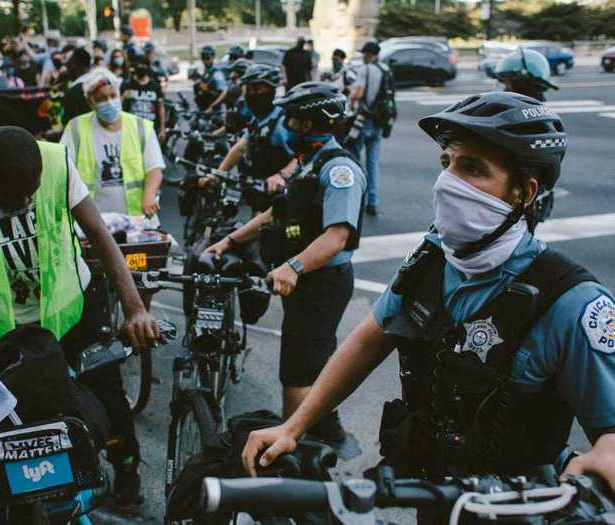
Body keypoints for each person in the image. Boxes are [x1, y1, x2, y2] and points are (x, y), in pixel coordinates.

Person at [240, 91, 615, 507]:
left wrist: (607, 452)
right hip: (427, 499)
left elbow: (611, 433)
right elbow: (370, 338)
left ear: (523, 193)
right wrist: (294, 426)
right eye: (446, 163)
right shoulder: (432, 258)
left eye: (471, 168)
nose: (447, 182)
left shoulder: (570, 300)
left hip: (522, 510)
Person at [0, 126, 158, 509]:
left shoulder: (56, 163)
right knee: (13, 431)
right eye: (15, 194)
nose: (27, 200)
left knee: (109, 397)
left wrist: (135, 308)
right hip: (4, 329)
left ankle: (126, 471)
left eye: (33, 189)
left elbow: (98, 234)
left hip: (73, 310)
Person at [206, 82, 366, 443]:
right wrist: (228, 241)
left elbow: (337, 235)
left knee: (297, 369)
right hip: (307, 279)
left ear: (308, 124)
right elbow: (273, 214)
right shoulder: (310, 163)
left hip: (321, 281)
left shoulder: (339, 169)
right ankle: (325, 427)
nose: (286, 126)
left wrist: (293, 267)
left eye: (292, 119)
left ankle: (292, 450)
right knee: (316, 356)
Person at [61, 68, 164, 219]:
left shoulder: (141, 126)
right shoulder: (76, 128)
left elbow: (155, 168)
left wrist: (149, 194)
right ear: (91, 102)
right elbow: (64, 169)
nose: (109, 102)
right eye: (102, 99)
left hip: (136, 219)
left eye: (113, 96)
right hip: (93, 221)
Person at [205, 64, 296, 208]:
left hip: (285, 195)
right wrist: (218, 174)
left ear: (272, 90)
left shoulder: (281, 121)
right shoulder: (258, 120)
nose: (253, 94)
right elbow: (240, 147)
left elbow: (301, 155)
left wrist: (282, 175)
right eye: (250, 89)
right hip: (262, 192)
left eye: (258, 89)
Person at [349, 41, 392, 217]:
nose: (363, 56)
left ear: (369, 54)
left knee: (355, 160)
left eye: (364, 53)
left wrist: (350, 97)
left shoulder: (365, 69)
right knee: (373, 163)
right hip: (379, 121)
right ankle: (372, 202)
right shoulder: (386, 70)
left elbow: (358, 94)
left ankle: (357, 198)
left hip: (364, 119)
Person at [121, 56, 167, 142]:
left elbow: (161, 107)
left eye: (144, 65)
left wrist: (162, 128)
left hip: (151, 127)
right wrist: (123, 97)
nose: (141, 67)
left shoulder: (155, 86)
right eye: (139, 65)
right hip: (131, 128)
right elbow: (118, 107)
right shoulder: (128, 85)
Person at [62, 48, 92, 125]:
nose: (66, 70)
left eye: (67, 65)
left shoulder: (74, 92)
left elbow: (69, 125)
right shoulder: (101, 83)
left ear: (74, 65)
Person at [193, 45, 227, 112]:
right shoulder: (206, 71)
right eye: (203, 57)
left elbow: (222, 94)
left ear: (212, 57)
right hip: (203, 108)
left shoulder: (217, 74)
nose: (205, 61)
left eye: (207, 58)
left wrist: (207, 90)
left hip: (213, 110)